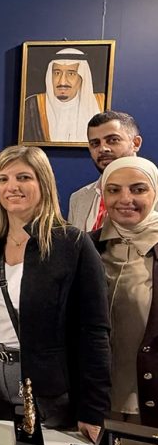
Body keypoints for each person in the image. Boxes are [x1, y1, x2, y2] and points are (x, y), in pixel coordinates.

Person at [0, 145, 110, 442]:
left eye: (23, 177)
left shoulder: (72, 244)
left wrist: (93, 409)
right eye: (2, 179)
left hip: (47, 392)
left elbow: (94, 332)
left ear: (44, 183)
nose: (12, 187)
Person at [91, 157, 158, 426]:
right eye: (114, 190)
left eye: (138, 189)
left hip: (150, 402)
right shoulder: (86, 247)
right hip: (96, 403)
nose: (125, 199)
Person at [69, 111, 143, 231]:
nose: (103, 148)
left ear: (135, 143)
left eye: (113, 140)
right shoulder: (78, 198)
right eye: (95, 143)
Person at [22, 48, 104, 143]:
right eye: (57, 73)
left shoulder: (100, 104)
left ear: (82, 77)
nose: (62, 81)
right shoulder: (32, 105)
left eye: (71, 74)